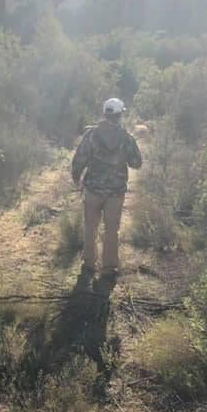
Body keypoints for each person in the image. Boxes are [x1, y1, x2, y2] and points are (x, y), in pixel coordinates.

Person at [71, 98, 143, 278]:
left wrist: (76, 176)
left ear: (105, 114)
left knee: (90, 227)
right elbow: (136, 163)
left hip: (92, 190)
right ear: (120, 115)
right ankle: (109, 267)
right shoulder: (126, 138)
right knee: (112, 230)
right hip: (115, 193)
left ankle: (89, 264)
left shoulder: (91, 135)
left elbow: (79, 158)